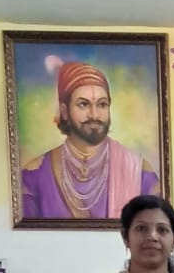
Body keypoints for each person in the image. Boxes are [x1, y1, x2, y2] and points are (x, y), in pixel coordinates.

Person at [22, 61, 159, 221]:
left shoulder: (140, 172)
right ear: (64, 111)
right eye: (83, 104)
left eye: (102, 104)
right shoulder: (35, 175)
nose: (94, 115)